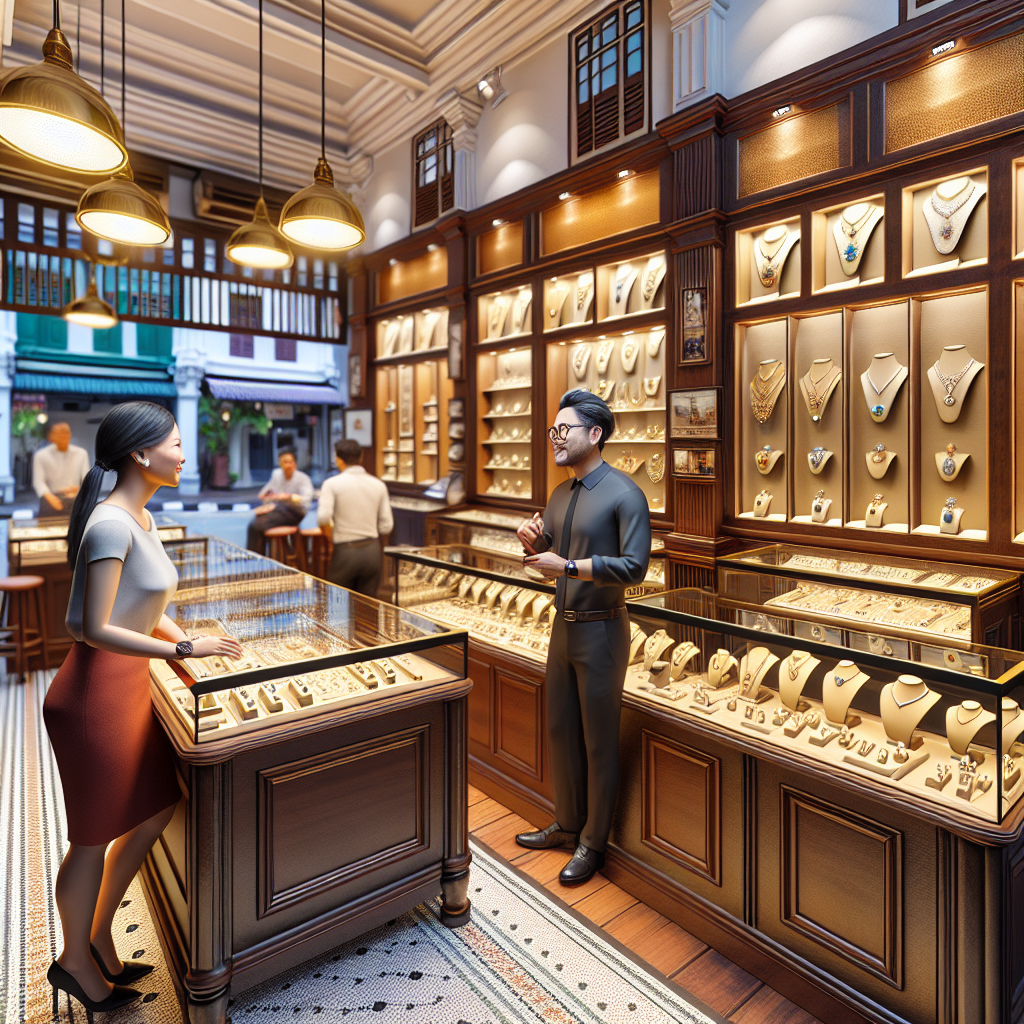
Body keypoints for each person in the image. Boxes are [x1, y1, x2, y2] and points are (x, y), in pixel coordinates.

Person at [42, 402, 243, 1014]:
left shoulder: (143, 519)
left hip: (130, 685)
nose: (184, 454)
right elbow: (88, 626)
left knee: (155, 810)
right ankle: (74, 961)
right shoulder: (109, 524)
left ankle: (99, 933)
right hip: (93, 697)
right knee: (91, 837)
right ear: (140, 452)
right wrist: (181, 646)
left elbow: (145, 606)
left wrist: (184, 650)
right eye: (176, 443)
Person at [514, 389, 651, 886]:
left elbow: (635, 567)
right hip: (562, 628)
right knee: (560, 732)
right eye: (553, 430)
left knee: (598, 743)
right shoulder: (559, 493)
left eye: (563, 429)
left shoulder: (625, 494)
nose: (555, 438)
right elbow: (551, 557)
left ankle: (594, 843)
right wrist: (534, 546)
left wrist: (567, 564)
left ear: (594, 435)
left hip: (603, 633)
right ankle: (567, 824)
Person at [317, 439, 393, 597]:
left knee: (337, 608)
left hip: (345, 551)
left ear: (338, 459)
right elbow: (387, 526)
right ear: (361, 456)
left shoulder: (331, 484)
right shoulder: (379, 484)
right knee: (367, 609)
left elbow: (323, 517)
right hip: (372, 552)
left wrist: (330, 538)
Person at [246, 446, 314, 553]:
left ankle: (257, 555)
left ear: (295, 464)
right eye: (285, 462)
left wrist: (289, 497)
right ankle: (258, 555)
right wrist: (269, 498)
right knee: (254, 522)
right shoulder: (277, 475)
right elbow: (264, 494)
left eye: (290, 462)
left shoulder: (302, 478)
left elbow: (308, 498)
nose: (288, 465)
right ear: (280, 463)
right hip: (280, 510)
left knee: (257, 524)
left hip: (296, 511)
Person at [32, 421, 90, 518]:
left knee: (76, 530)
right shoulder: (41, 455)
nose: (63, 437)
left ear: (70, 435)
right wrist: (51, 498)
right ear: (52, 437)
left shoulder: (81, 453)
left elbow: (87, 479)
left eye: (65, 434)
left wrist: (80, 490)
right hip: (50, 498)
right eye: (59, 435)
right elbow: (38, 482)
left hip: (75, 499)